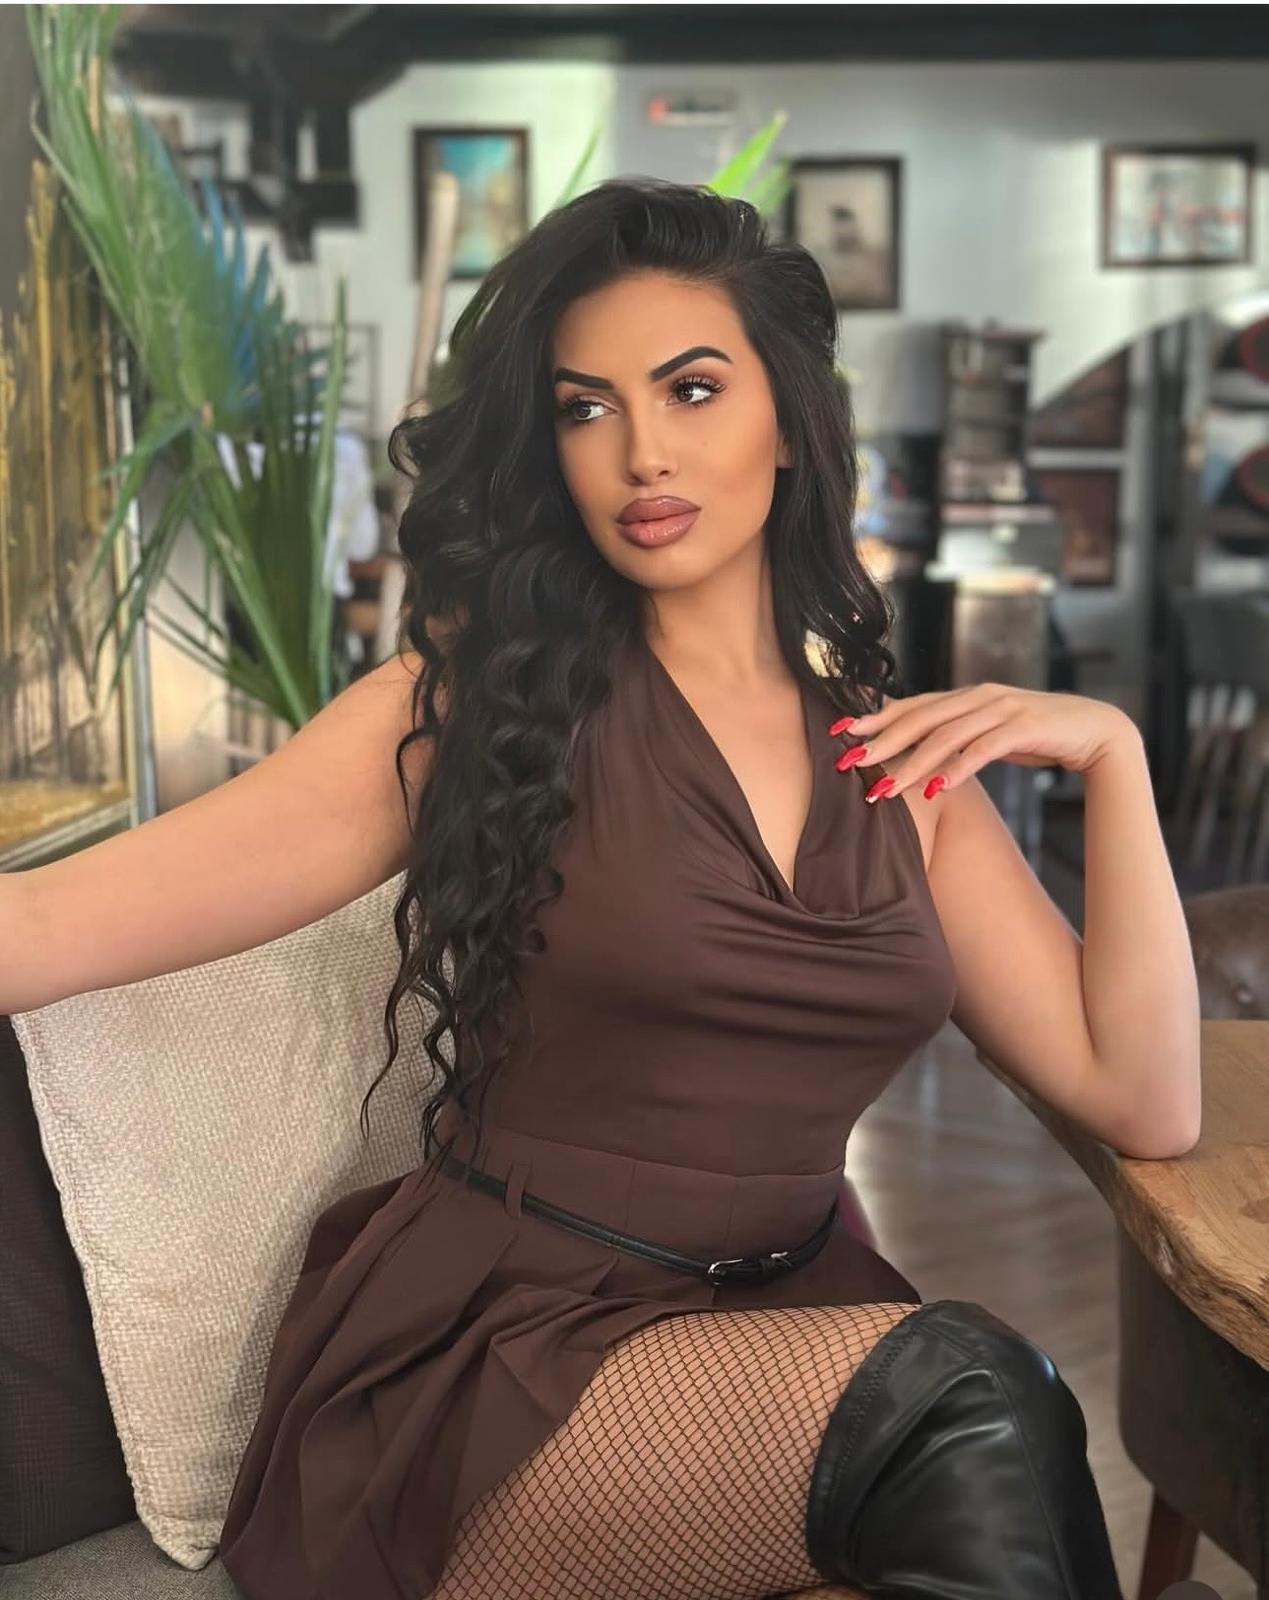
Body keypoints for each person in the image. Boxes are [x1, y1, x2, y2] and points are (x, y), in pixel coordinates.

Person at [13, 177, 1198, 1600]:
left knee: (952, 1452)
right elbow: (41, 927)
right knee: (972, 1399)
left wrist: (1115, 755)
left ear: (789, 421)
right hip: (504, 1363)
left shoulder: (901, 771)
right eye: (586, 409)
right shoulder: (465, 716)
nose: (641, 452)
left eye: (692, 390)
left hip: (774, 1348)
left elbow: (1143, 1100)